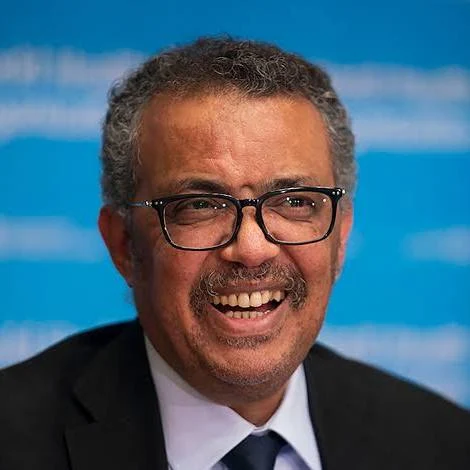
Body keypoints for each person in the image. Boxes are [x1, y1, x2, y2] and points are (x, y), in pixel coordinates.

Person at [0, 37, 469, 470]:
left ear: (340, 237)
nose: (252, 248)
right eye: (200, 206)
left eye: (294, 202)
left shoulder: (441, 444)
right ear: (123, 244)